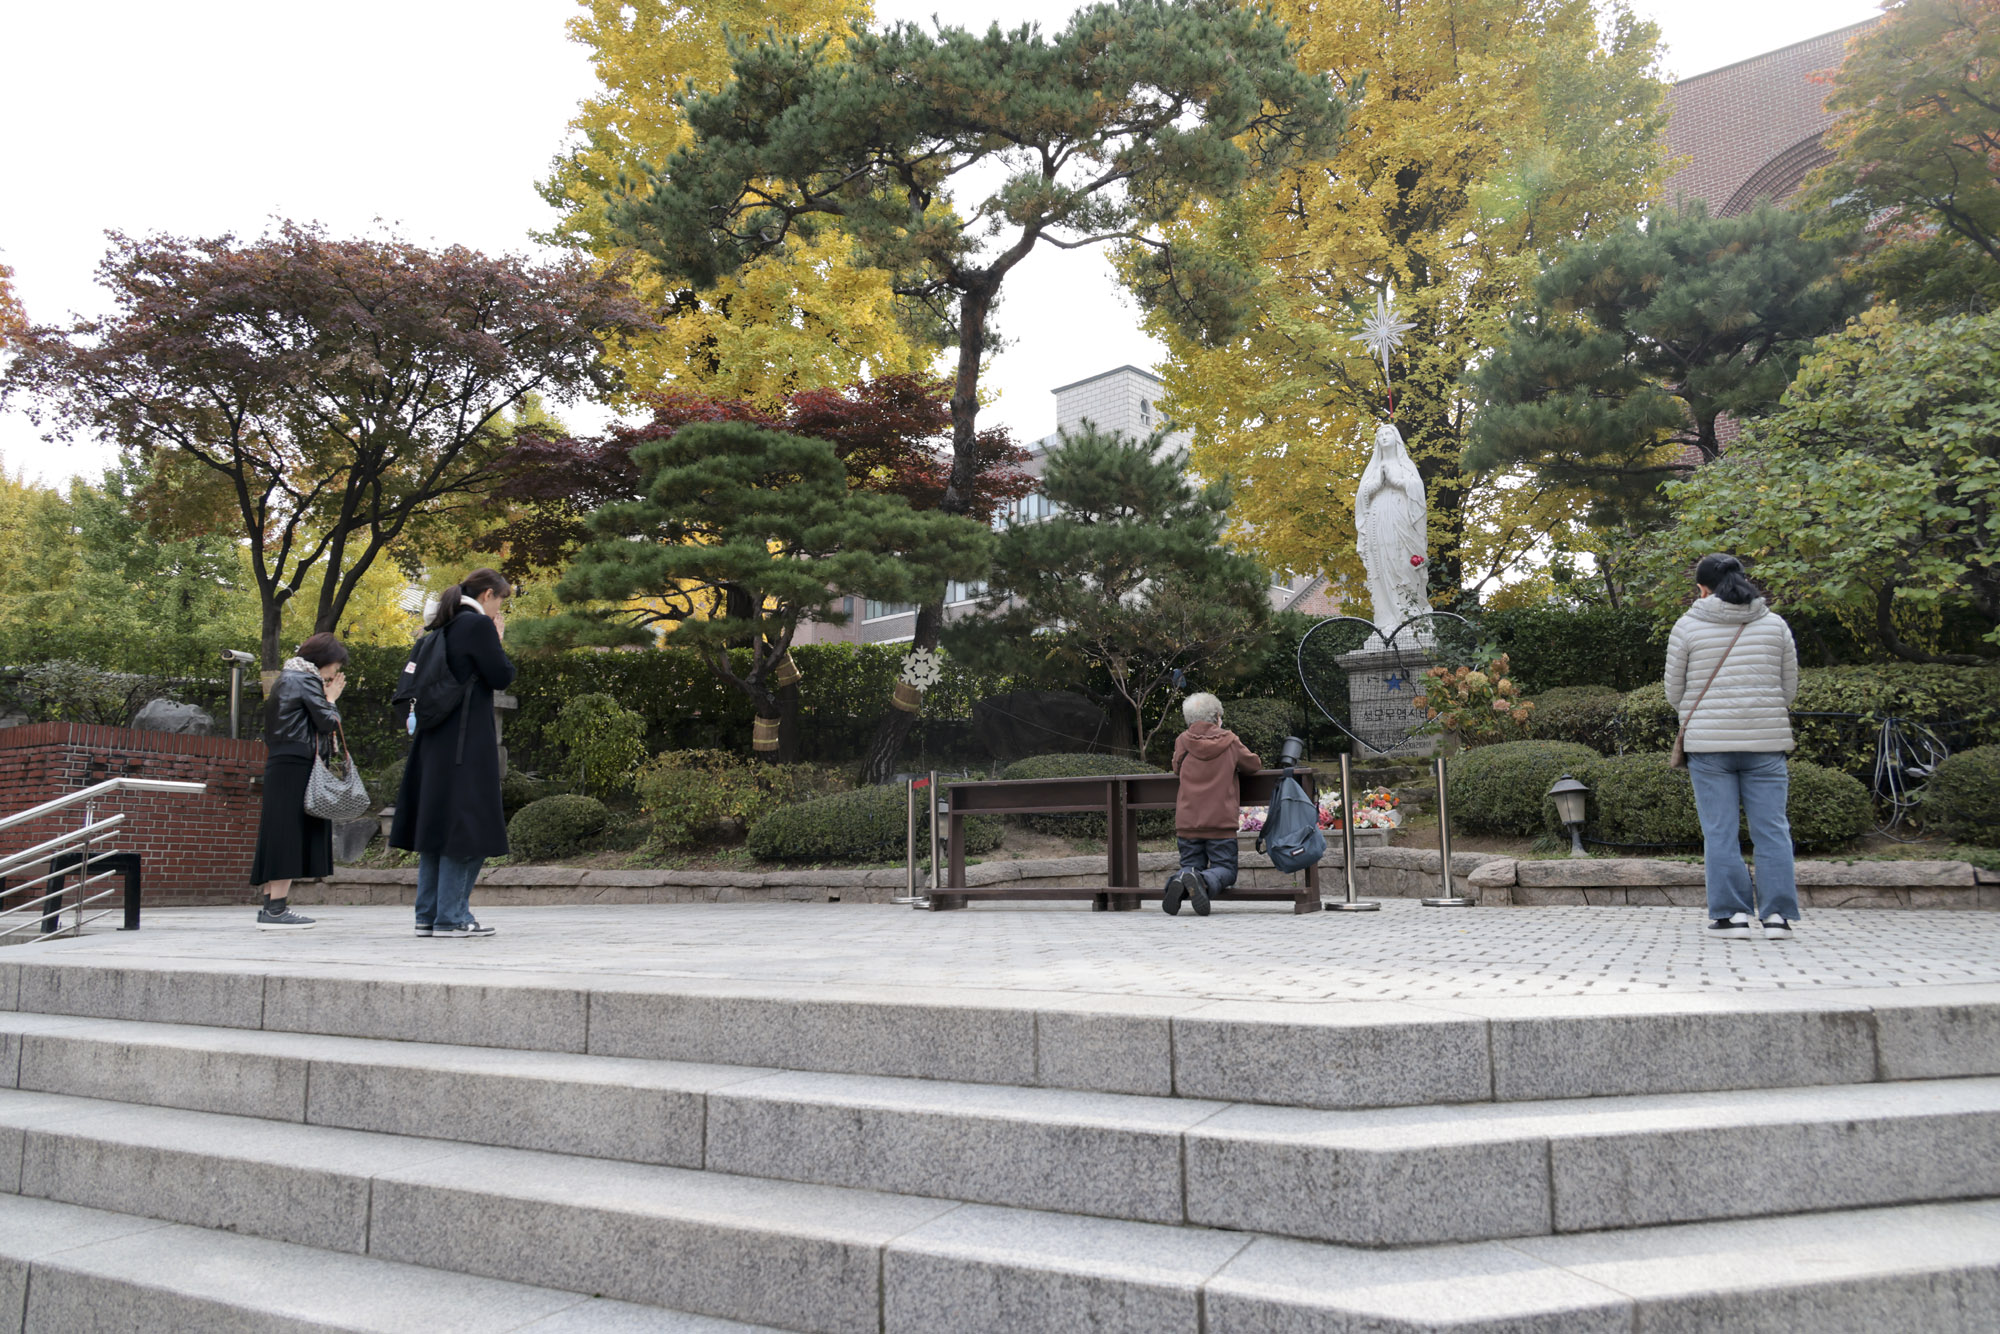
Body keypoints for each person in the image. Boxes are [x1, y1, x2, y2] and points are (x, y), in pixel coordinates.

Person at [1664, 553, 1802, 941]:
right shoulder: (1774, 625)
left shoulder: (1687, 626)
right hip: (1766, 743)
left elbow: (1674, 692)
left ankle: (1732, 917)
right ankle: (1777, 919)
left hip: (1709, 746)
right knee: (1773, 831)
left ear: (1702, 588)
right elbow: (1788, 689)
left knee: (1720, 832)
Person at [390, 568, 517, 938]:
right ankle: (453, 917)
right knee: (468, 828)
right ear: (488, 594)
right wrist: (497, 639)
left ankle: (428, 916)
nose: (499, 609)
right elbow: (501, 675)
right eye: (500, 601)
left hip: (432, 743)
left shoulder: (439, 628)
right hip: (466, 744)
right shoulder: (477, 626)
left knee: (436, 829)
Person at [248, 632, 348, 930]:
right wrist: (331, 699)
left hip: (282, 761)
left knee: (278, 831)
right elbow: (328, 721)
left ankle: (271, 907)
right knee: (288, 833)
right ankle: (276, 910)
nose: (335, 672)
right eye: (335, 665)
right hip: (297, 763)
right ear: (324, 660)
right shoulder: (305, 680)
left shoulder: (286, 678)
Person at [1164, 693, 1261, 917]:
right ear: (1217, 716)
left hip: (1188, 822)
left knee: (1190, 865)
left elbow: (1176, 767)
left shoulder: (1182, 741)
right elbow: (1253, 764)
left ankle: (1180, 879)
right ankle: (1202, 880)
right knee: (1226, 869)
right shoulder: (1230, 741)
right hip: (1220, 822)